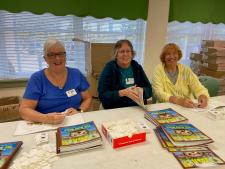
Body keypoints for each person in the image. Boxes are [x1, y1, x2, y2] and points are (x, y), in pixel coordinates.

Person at [19, 38, 92, 124]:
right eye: (51, 55)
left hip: (74, 122)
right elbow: (24, 110)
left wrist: (79, 111)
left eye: (61, 54)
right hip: (47, 124)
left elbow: (87, 98)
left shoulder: (76, 74)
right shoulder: (37, 79)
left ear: (65, 56)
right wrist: (46, 118)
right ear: (45, 58)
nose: (57, 58)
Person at [98, 39, 152, 109]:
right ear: (116, 54)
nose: (125, 54)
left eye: (128, 51)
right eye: (122, 51)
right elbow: (102, 95)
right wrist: (122, 93)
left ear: (132, 54)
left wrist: (141, 91)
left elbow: (149, 90)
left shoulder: (137, 67)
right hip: (115, 108)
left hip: (136, 107)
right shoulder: (109, 69)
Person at [152, 43, 209, 108]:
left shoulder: (186, 70)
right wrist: (178, 101)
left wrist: (203, 96)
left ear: (178, 55)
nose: (172, 56)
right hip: (165, 107)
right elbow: (158, 92)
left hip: (187, 107)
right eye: (168, 54)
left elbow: (198, 88)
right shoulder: (158, 70)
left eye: (174, 53)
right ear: (163, 57)